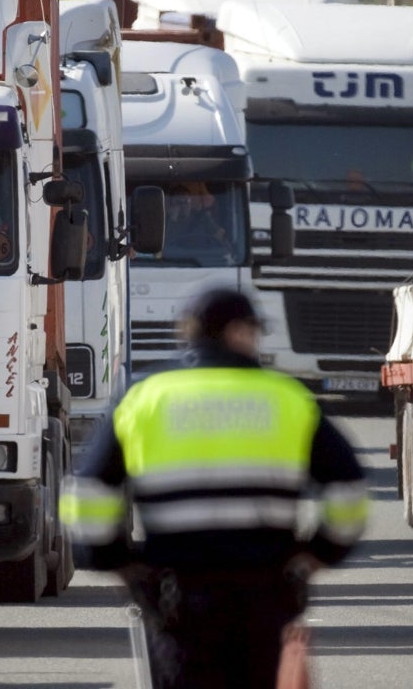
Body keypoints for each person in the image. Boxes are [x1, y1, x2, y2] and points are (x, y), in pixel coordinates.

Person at [59, 288, 368, 689]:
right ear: (238, 332)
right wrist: (319, 554)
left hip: (177, 599)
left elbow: (88, 494)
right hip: (265, 594)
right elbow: (348, 493)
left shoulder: (145, 399)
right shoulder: (287, 398)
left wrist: (115, 561)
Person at [163, 182, 230, 252]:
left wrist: (226, 244)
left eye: (186, 202)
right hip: (174, 257)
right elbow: (164, 244)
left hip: (201, 256)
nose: (183, 205)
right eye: (178, 202)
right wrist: (172, 220)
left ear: (190, 202)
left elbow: (218, 234)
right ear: (171, 205)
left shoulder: (201, 217)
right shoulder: (165, 221)